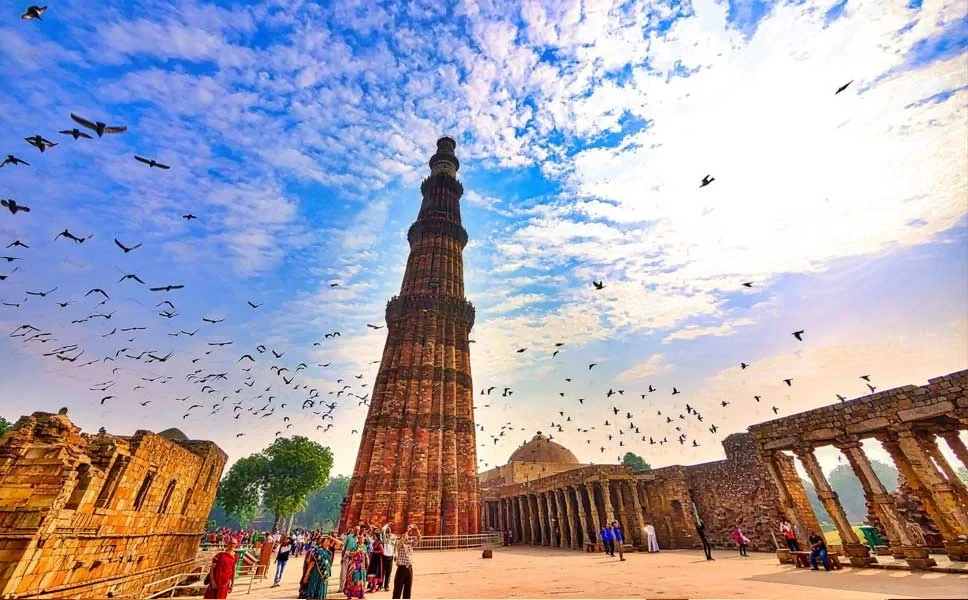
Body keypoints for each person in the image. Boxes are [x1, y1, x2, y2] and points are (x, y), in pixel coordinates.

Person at [392, 523, 421, 599]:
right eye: (405, 535)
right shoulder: (400, 544)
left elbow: (418, 538)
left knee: (408, 588)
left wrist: (416, 529)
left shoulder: (410, 544)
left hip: (409, 568)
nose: (407, 536)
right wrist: (407, 531)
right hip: (401, 568)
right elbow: (399, 544)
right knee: (398, 588)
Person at [343, 526, 367, 599]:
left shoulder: (364, 546)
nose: (362, 540)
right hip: (355, 565)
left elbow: (365, 555)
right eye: (361, 539)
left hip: (362, 566)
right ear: (358, 540)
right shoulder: (355, 546)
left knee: (361, 580)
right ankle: (349, 595)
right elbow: (350, 553)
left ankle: (360, 595)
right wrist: (358, 551)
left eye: (363, 539)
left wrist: (367, 560)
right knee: (353, 579)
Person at [381, 525, 395, 592]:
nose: (388, 530)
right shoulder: (384, 537)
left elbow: (395, 547)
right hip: (384, 555)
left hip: (390, 556)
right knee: (383, 571)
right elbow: (382, 529)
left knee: (388, 572)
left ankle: (386, 586)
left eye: (389, 529)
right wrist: (387, 524)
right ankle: (380, 585)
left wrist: (395, 555)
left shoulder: (393, 537)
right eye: (387, 530)